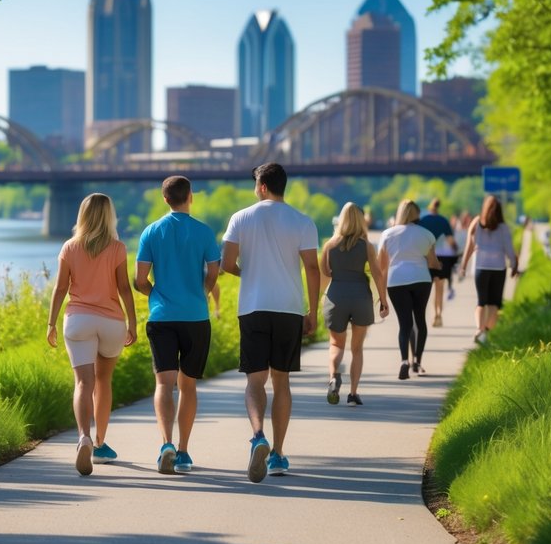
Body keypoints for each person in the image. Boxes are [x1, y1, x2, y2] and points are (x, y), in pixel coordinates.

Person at [221, 163, 320, 482]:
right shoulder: (303, 221)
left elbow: (226, 263)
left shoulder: (240, 218)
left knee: (254, 381)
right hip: (289, 308)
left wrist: (247, 272)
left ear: (262, 186)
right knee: (282, 382)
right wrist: (313, 312)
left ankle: (258, 435)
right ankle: (278, 454)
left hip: (252, 307)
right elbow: (312, 269)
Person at [46, 193, 138, 476]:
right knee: (103, 381)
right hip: (111, 322)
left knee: (83, 383)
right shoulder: (118, 248)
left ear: (82, 215)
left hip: (79, 320)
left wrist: (50, 323)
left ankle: (83, 436)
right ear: (109, 216)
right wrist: (133, 322)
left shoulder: (70, 247)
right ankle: (99, 444)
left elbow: (60, 288)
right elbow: (124, 289)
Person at [135, 176, 221, 475]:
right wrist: (204, 291)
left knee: (163, 384)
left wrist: (156, 293)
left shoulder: (151, 232)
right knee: (188, 386)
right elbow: (214, 271)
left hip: (162, 317)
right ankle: (183, 452)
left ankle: (166, 443)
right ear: (190, 197)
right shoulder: (204, 232)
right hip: (196, 317)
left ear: (164, 199)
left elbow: (139, 280)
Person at [320, 202, 388, 406]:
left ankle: (333, 377)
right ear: (361, 221)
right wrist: (383, 301)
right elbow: (377, 273)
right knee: (357, 348)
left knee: (335, 344)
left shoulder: (329, 245)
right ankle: (353, 393)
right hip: (360, 296)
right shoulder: (366, 246)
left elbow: (324, 272)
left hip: (336, 296)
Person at [378, 199, 439, 380]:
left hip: (396, 280)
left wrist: (382, 298)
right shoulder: (426, 234)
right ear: (417, 214)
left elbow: (382, 268)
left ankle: (404, 360)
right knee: (419, 319)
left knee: (404, 324)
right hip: (421, 279)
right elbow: (432, 262)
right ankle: (417, 361)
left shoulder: (387, 234)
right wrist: (440, 265)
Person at [459, 195, 519, 345]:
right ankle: (485, 330)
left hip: (480, 267)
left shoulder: (476, 223)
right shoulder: (504, 228)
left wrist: (463, 265)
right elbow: (509, 249)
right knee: (494, 304)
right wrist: (514, 265)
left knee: (481, 302)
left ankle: (479, 329)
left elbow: (469, 246)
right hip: (498, 268)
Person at [417, 198, 458, 328]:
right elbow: (451, 241)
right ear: (438, 208)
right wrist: (456, 251)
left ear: (429, 208)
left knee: (426, 289)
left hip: (427, 257)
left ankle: (423, 315)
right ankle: (438, 314)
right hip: (443, 257)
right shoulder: (444, 221)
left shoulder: (422, 221)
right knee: (439, 288)